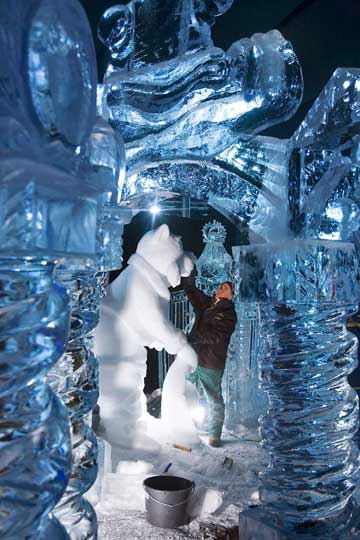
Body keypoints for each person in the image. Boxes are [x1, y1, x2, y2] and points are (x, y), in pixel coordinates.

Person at [182, 270, 237, 447]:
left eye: (225, 288)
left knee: (213, 399)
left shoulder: (229, 314)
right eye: (221, 286)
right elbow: (194, 295)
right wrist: (188, 280)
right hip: (194, 357)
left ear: (232, 294)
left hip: (211, 362)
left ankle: (214, 435)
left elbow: (217, 335)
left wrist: (195, 337)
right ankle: (184, 427)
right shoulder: (209, 304)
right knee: (185, 390)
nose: (220, 289)